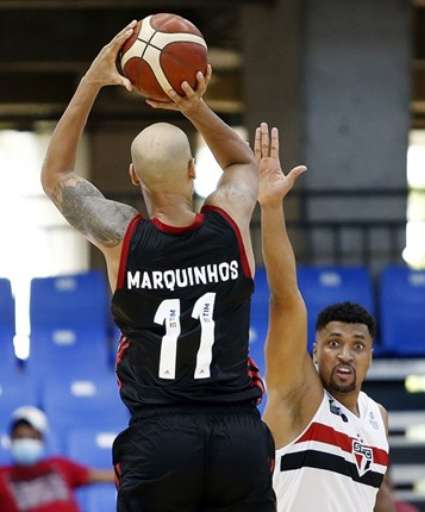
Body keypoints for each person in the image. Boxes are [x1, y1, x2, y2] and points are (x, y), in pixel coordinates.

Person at [41, 22, 274, 511]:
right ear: (193, 170)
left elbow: (56, 175)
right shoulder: (229, 220)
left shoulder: (121, 238)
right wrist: (194, 107)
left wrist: (92, 80)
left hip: (161, 436)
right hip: (239, 436)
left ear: (131, 176)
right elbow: (243, 166)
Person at [253, 122, 395, 511]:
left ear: (370, 356)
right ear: (315, 350)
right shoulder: (299, 394)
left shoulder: (377, 417)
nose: (346, 354)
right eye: (334, 343)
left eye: (357, 346)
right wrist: (271, 207)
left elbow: (375, 500)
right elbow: (284, 298)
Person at [0, 407, 114, 512]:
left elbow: (107, 476)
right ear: (10, 439)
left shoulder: (60, 465)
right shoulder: (3, 476)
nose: (26, 442)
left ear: (42, 440)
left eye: (32, 437)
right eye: (20, 437)